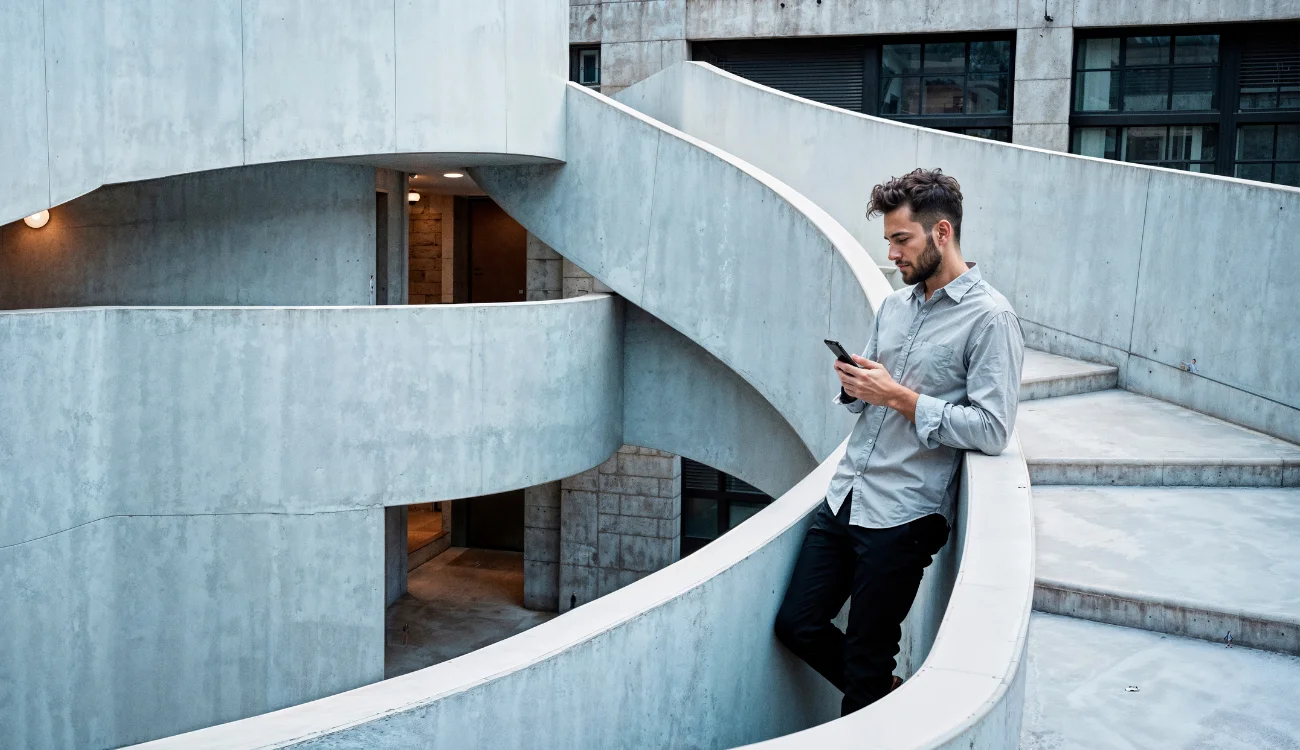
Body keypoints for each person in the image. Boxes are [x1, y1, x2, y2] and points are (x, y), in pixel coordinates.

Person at [774, 168, 1024, 716]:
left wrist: (900, 399)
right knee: (797, 624)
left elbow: (992, 429)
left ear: (941, 234)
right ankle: (894, 699)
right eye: (888, 240)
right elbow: (870, 397)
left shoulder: (990, 319)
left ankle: (877, 710)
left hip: (905, 517)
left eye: (900, 239)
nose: (892, 254)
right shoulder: (894, 305)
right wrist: (857, 387)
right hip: (848, 495)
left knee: (865, 662)